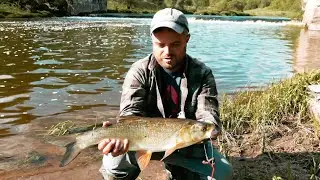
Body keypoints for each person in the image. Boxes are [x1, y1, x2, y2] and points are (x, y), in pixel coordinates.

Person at [98, 8, 233, 180]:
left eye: (175, 44)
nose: (167, 52)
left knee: (223, 174)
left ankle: (176, 170)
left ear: (187, 39)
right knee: (113, 165)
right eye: (161, 45)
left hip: (186, 144)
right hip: (140, 140)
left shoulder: (202, 73)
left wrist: (210, 129)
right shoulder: (139, 71)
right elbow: (131, 113)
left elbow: (208, 115)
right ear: (152, 41)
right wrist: (118, 138)